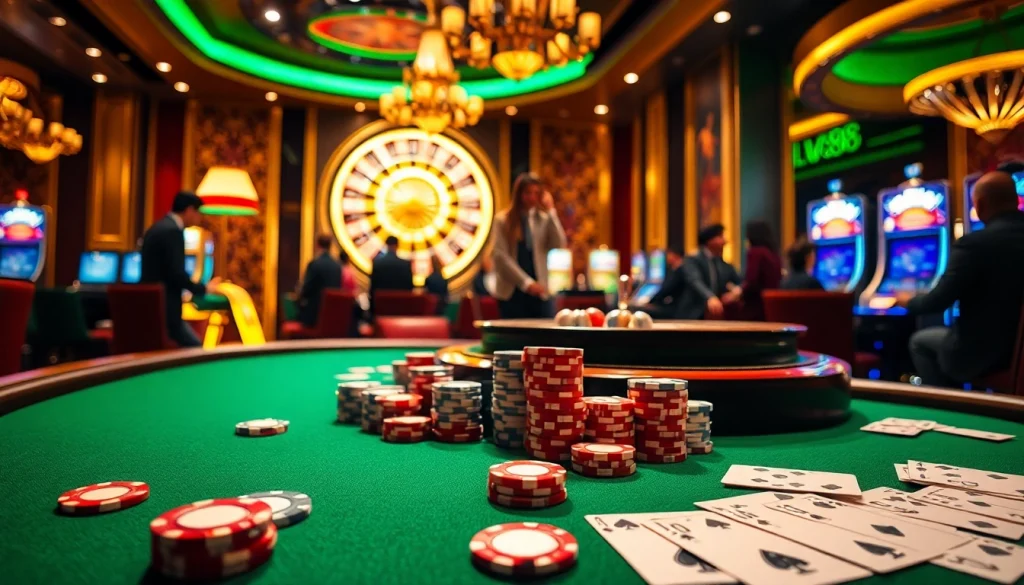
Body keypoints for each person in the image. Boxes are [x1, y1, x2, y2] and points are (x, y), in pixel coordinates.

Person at [898, 171, 1024, 387]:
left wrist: (907, 300)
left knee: (919, 341)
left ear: (981, 205)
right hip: (1018, 352)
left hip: (982, 355)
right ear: (1016, 201)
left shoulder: (974, 245)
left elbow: (937, 302)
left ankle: (948, 406)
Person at [140, 191, 220, 348]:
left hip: (151, 307)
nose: (199, 218)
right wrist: (204, 288)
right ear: (190, 210)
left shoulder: (158, 226)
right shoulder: (173, 231)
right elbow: (177, 274)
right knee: (196, 352)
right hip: (167, 311)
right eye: (198, 213)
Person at [492, 174, 567, 319]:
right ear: (519, 194)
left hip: (540, 292)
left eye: (536, 193)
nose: (532, 198)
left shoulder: (543, 219)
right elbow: (500, 257)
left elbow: (559, 243)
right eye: (528, 193)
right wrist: (527, 283)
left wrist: (551, 211)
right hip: (512, 293)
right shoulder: (503, 220)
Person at [675, 224, 742, 320]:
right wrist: (710, 297)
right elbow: (695, 280)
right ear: (709, 240)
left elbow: (739, 281)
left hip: (715, 315)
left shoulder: (723, 264)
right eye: (720, 237)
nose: (725, 241)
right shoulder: (692, 259)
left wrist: (736, 292)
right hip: (692, 314)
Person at [734, 220, 782, 320]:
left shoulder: (755, 252)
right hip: (772, 305)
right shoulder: (773, 253)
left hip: (755, 307)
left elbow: (752, 280)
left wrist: (738, 292)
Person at [297, 234, 342, 327]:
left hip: (314, 317)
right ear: (330, 246)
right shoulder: (337, 266)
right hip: (333, 316)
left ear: (317, 245)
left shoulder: (314, 264)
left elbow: (306, 290)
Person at [369, 235, 414, 316]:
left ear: (386, 245)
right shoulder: (405, 265)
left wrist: (371, 313)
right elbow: (410, 290)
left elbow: (373, 290)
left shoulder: (377, 263)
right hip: (400, 308)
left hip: (381, 308)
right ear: (397, 246)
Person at [643, 246, 686, 319]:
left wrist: (651, 302)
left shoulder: (680, 270)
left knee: (642, 311)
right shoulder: (675, 269)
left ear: (676, 255)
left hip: (678, 309)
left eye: (669, 254)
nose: (667, 257)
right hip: (673, 305)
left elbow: (666, 290)